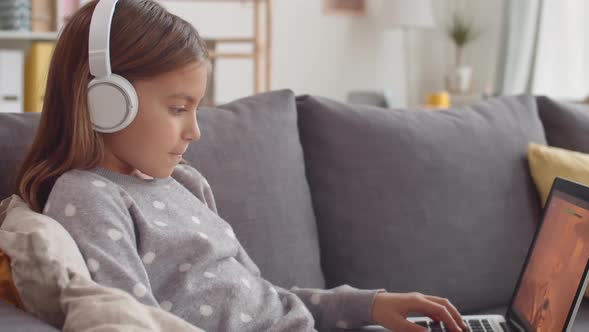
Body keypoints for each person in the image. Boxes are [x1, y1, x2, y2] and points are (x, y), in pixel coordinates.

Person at [15, 1, 468, 331]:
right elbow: (135, 321)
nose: (195, 130)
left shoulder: (185, 182)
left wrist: (367, 306)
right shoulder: (88, 197)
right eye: (178, 108)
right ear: (105, 102)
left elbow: (264, 298)